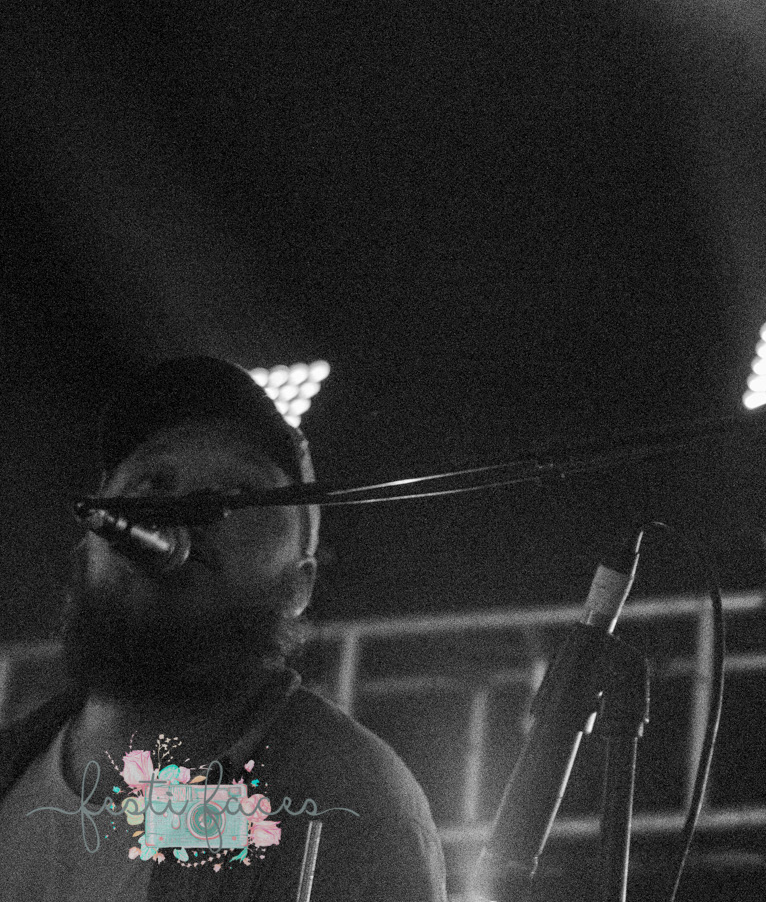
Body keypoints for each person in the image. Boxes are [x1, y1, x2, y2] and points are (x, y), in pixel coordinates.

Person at [0, 356, 447, 900]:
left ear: (300, 586)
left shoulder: (349, 801)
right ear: (89, 543)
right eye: (152, 481)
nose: (181, 511)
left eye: (236, 495)